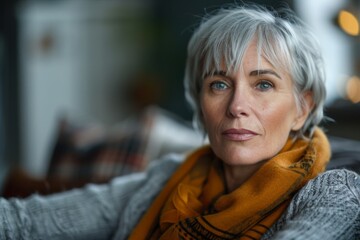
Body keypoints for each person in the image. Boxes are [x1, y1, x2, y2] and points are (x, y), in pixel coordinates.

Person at [1, 4, 359, 240]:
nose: (237, 106)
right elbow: (25, 221)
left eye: (263, 84)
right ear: (201, 103)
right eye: (219, 84)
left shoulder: (335, 193)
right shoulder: (167, 178)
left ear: (302, 107)